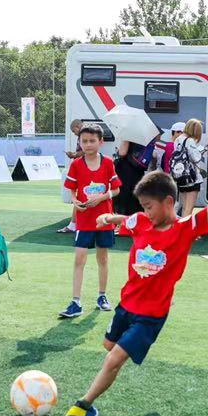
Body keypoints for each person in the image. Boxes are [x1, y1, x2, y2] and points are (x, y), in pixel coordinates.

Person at [58, 162, 208, 416]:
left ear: (169, 202)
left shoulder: (185, 229)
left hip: (150, 315)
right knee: (108, 346)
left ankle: (84, 406)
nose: (145, 212)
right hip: (125, 305)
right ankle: (126, 353)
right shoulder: (141, 221)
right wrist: (109, 218)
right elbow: (127, 220)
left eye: (149, 206)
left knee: (113, 360)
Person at [59, 123, 121, 318]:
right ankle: (75, 302)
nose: (88, 144)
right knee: (79, 259)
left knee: (102, 259)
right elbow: (72, 188)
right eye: (84, 141)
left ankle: (102, 296)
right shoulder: (76, 164)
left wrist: (102, 197)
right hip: (84, 221)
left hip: (104, 220)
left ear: (101, 142)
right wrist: (76, 202)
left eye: (92, 141)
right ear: (79, 142)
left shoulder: (108, 163)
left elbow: (117, 189)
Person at [171, 119, 206, 218]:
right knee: (188, 209)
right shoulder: (189, 140)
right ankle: (186, 232)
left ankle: (181, 230)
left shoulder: (178, 139)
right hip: (191, 178)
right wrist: (203, 149)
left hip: (181, 177)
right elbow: (196, 158)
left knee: (184, 207)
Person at [58, 119, 85, 234]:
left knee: (79, 197)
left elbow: (84, 151)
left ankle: (73, 224)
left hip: (84, 168)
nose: (74, 133)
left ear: (78, 126)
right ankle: (74, 223)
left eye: (74, 131)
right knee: (81, 197)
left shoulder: (84, 135)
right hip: (85, 167)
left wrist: (74, 154)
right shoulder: (86, 134)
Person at [114, 138, 152, 216]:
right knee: (135, 195)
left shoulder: (129, 135)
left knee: (124, 197)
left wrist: (118, 151)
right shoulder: (145, 136)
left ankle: (122, 219)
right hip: (138, 170)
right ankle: (135, 220)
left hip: (126, 171)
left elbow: (122, 152)